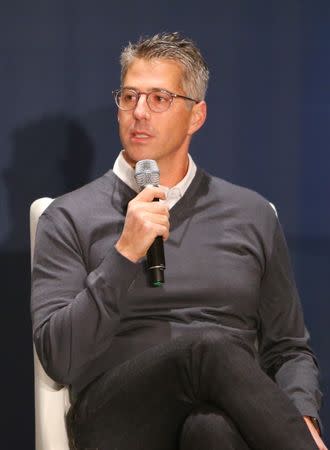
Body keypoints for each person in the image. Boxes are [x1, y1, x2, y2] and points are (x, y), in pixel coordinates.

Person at [31, 32, 327, 450]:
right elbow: (58, 357)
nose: (139, 113)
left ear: (196, 116)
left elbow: (289, 347)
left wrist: (302, 415)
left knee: (211, 431)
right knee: (207, 348)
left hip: (225, 414)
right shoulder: (68, 217)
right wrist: (124, 254)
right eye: (129, 96)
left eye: (158, 99)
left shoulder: (251, 214)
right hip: (117, 419)